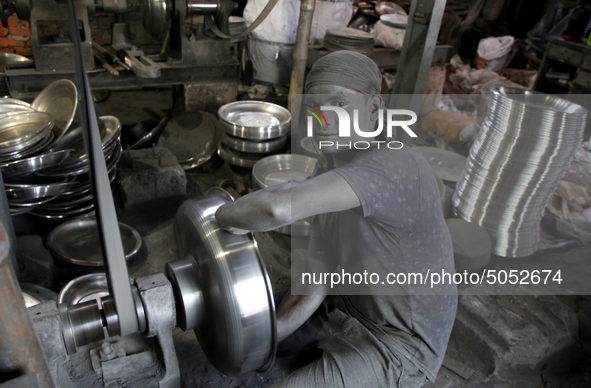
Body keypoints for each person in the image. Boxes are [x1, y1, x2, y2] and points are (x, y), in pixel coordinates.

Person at [215, 50, 457, 388]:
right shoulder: (330, 166)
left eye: (339, 104)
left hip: (398, 344)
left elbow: (276, 208)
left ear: (374, 108)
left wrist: (216, 216)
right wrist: (269, 336)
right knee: (249, 330)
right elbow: (318, 273)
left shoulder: (397, 167)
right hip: (343, 304)